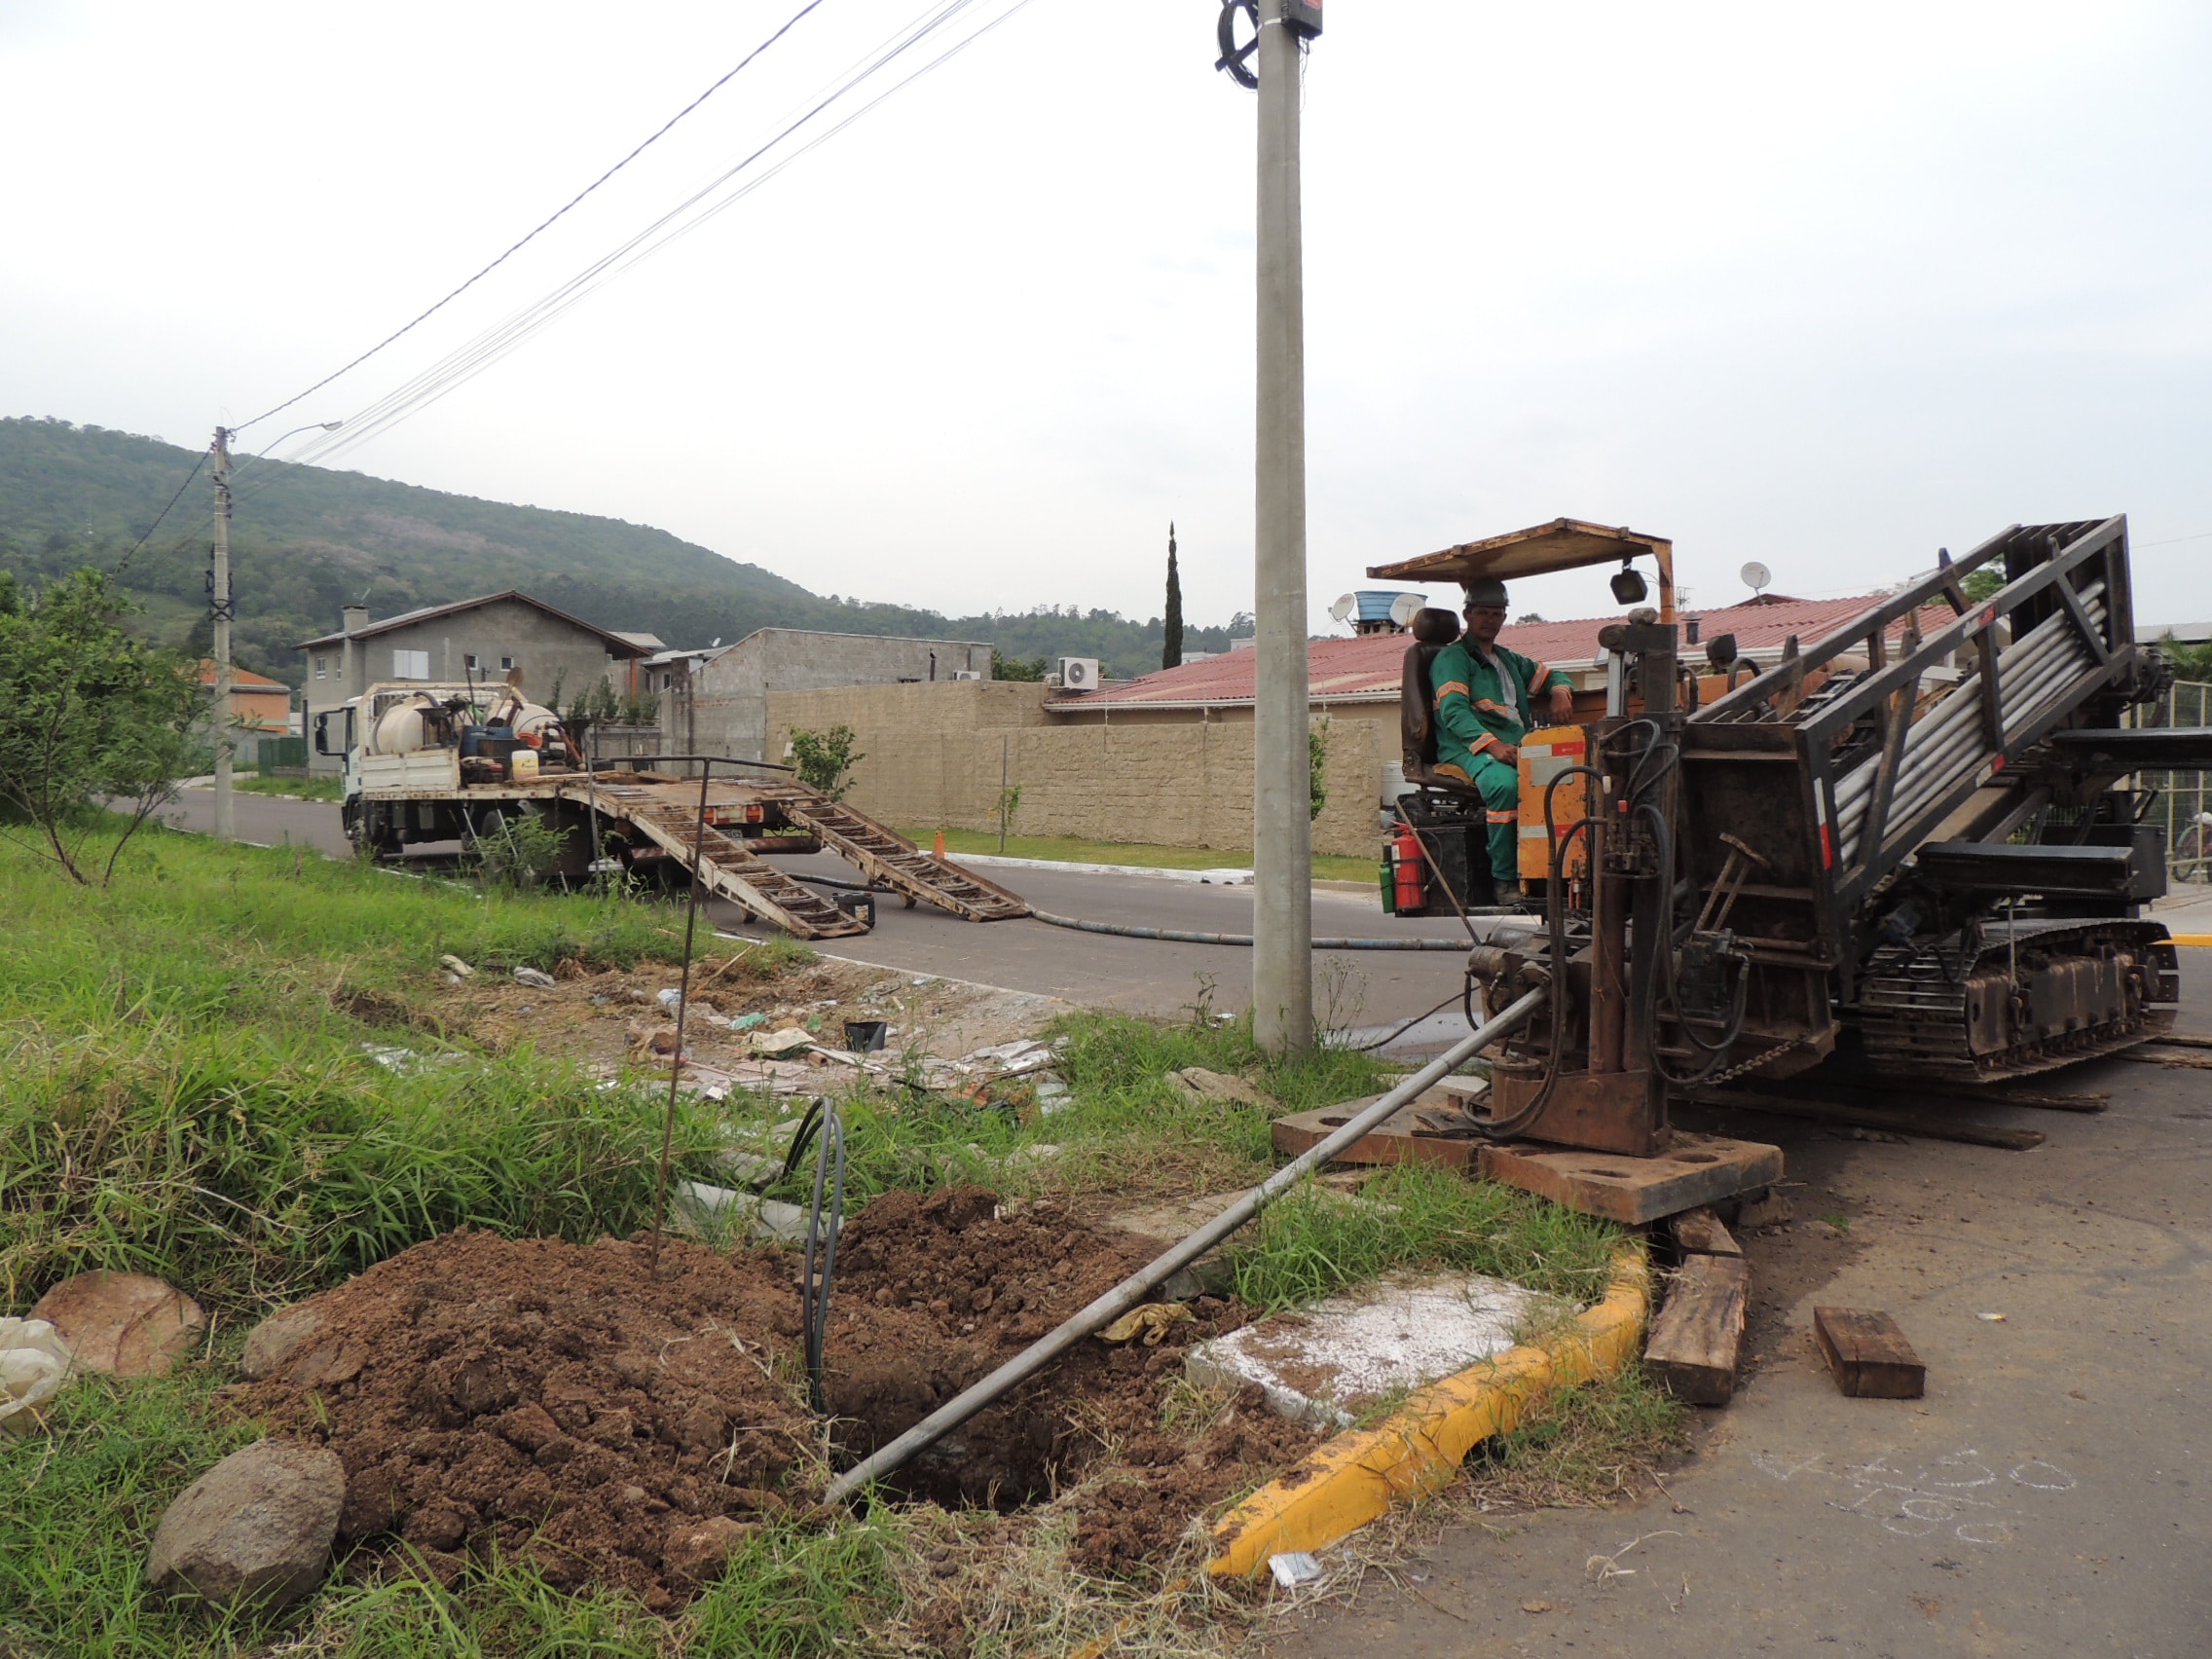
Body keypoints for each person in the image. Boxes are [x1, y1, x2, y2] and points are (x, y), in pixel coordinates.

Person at [1428, 579, 1576, 896]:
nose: (1491, 620)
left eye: (1497, 613)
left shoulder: (1508, 660)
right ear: (1467, 615)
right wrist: (1492, 746)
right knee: (1507, 787)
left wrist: (1561, 693)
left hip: (1514, 748)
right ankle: (1505, 879)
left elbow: (1555, 676)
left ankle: (1552, 869)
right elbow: (1453, 712)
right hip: (1465, 748)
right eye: (1483, 612)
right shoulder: (1452, 659)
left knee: (1567, 779)